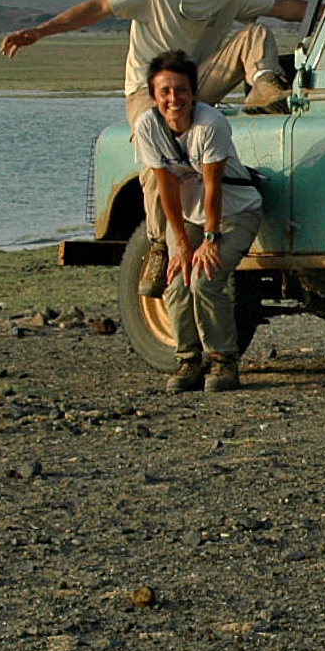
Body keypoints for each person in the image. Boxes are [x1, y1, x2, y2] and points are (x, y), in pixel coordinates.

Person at [0, 0, 305, 293]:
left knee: (256, 33)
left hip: (193, 83)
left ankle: (264, 92)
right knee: (154, 151)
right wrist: (40, 31)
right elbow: (98, 7)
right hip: (151, 89)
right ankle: (161, 245)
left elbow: (284, 8)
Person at [130, 51, 264, 394]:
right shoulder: (147, 126)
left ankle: (223, 362)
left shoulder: (211, 125)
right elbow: (166, 187)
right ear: (154, 94)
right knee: (177, 279)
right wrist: (180, 244)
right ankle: (188, 359)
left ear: (193, 93)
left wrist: (210, 239)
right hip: (189, 215)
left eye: (181, 90)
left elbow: (212, 185)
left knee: (206, 278)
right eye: (165, 92)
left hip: (233, 213)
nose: (174, 99)